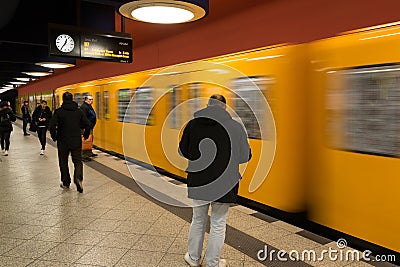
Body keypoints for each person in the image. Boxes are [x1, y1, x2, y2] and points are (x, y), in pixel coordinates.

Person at [179, 94, 252, 267]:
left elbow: (183, 151)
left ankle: (194, 258)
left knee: (198, 220)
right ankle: (213, 263)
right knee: (218, 223)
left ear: (207, 106)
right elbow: (244, 156)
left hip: (199, 181)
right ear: (225, 108)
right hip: (225, 183)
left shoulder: (193, 124)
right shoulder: (235, 127)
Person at [49, 92, 90, 193]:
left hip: (63, 141)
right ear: (72, 99)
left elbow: (51, 126)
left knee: (63, 162)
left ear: (63, 99)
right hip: (76, 140)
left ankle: (66, 182)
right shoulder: (79, 111)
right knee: (77, 161)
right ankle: (78, 178)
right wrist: (85, 135)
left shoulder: (58, 112)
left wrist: (54, 137)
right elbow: (87, 124)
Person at [79, 95, 97, 161]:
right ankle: (83, 155)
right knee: (85, 141)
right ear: (86, 100)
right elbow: (84, 118)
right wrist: (86, 126)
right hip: (85, 127)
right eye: (89, 99)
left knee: (89, 140)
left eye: (92, 99)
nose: (91, 101)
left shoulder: (88, 106)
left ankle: (89, 153)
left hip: (89, 127)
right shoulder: (84, 107)